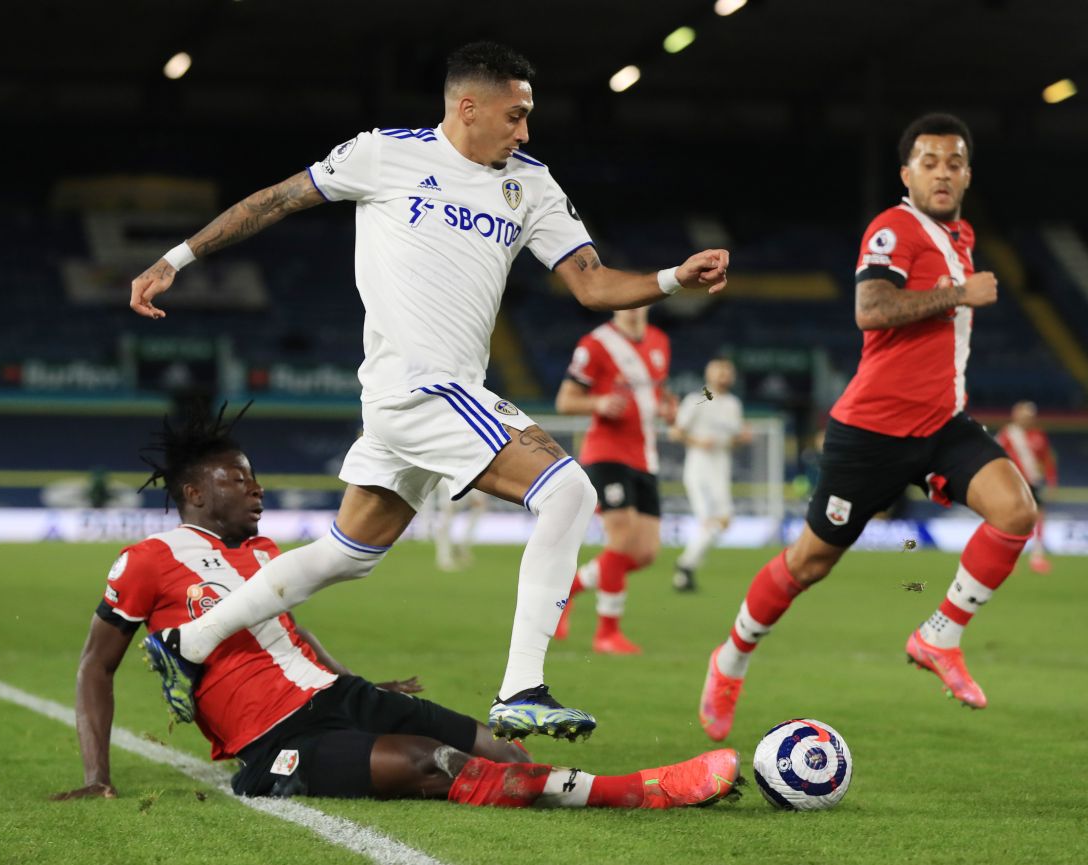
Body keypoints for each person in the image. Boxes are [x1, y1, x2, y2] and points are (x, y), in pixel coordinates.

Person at [128, 41, 730, 741]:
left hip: (425, 398)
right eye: (516, 115)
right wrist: (176, 259)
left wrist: (670, 279)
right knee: (569, 490)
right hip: (419, 386)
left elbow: (593, 284)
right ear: (467, 106)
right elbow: (277, 200)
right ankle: (521, 688)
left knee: (345, 553)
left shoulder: (531, 183)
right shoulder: (383, 154)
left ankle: (190, 642)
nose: (525, 131)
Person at [50, 405, 741, 810]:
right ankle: (632, 790)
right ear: (194, 493)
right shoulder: (147, 560)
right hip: (273, 743)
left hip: (339, 694)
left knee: (498, 745)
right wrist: (96, 776)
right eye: (239, 478)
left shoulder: (263, 555)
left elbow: (296, 634)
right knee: (429, 761)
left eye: (256, 476)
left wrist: (359, 681)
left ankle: (567, 782)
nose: (256, 489)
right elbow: (93, 666)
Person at [697, 112, 1038, 741]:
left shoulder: (959, 236)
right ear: (906, 173)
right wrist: (960, 294)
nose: (943, 172)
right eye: (929, 162)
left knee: (1016, 510)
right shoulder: (893, 228)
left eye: (954, 162)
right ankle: (731, 659)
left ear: (967, 174)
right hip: (872, 433)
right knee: (809, 563)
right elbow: (871, 309)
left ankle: (940, 635)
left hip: (942, 424)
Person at [552, 307, 676, 654]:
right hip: (607, 455)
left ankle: (568, 590)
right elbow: (565, 401)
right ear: (616, 303)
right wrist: (600, 401)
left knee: (646, 552)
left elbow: (657, 395)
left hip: (644, 457)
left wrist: (668, 408)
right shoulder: (595, 344)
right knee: (621, 541)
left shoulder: (659, 341)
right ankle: (606, 633)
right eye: (627, 300)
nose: (634, 306)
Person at [668, 358, 751, 592]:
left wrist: (741, 439)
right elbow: (676, 432)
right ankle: (684, 568)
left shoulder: (733, 404)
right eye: (720, 370)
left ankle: (685, 568)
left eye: (728, 370)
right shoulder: (696, 400)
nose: (724, 374)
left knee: (723, 522)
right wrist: (698, 441)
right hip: (699, 469)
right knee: (709, 522)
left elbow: (733, 440)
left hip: (721, 469)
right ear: (708, 374)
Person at [996, 400, 1057, 573]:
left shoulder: (1039, 435)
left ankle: (1037, 554)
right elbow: (996, 457)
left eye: (1029, 416)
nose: (1026, 419)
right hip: (1013, 483)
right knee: (1010, 519)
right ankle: (1007, 557)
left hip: (1033, 482)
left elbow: (1046, 459)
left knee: (1039, 516)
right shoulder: (1007, 434)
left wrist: (1052, 481)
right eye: (1023, 415)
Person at [428, 479, 490, 572]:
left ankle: (462, 546)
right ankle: (444, 558)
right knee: (446, 520)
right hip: (451, 478)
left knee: (480, 506)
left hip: (469, 476)